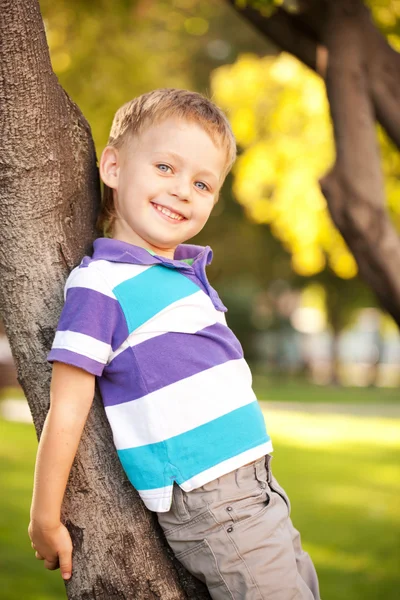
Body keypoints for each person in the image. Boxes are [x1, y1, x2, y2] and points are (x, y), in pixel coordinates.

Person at [28, 88, 320, 599]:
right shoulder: (102, 285)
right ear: (114, 167)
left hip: (258, 491)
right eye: (165, 167)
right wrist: (45, 517)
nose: (183, 190)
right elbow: (66, 409)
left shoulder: (179, 274)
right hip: (214, 504)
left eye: (202, 183)